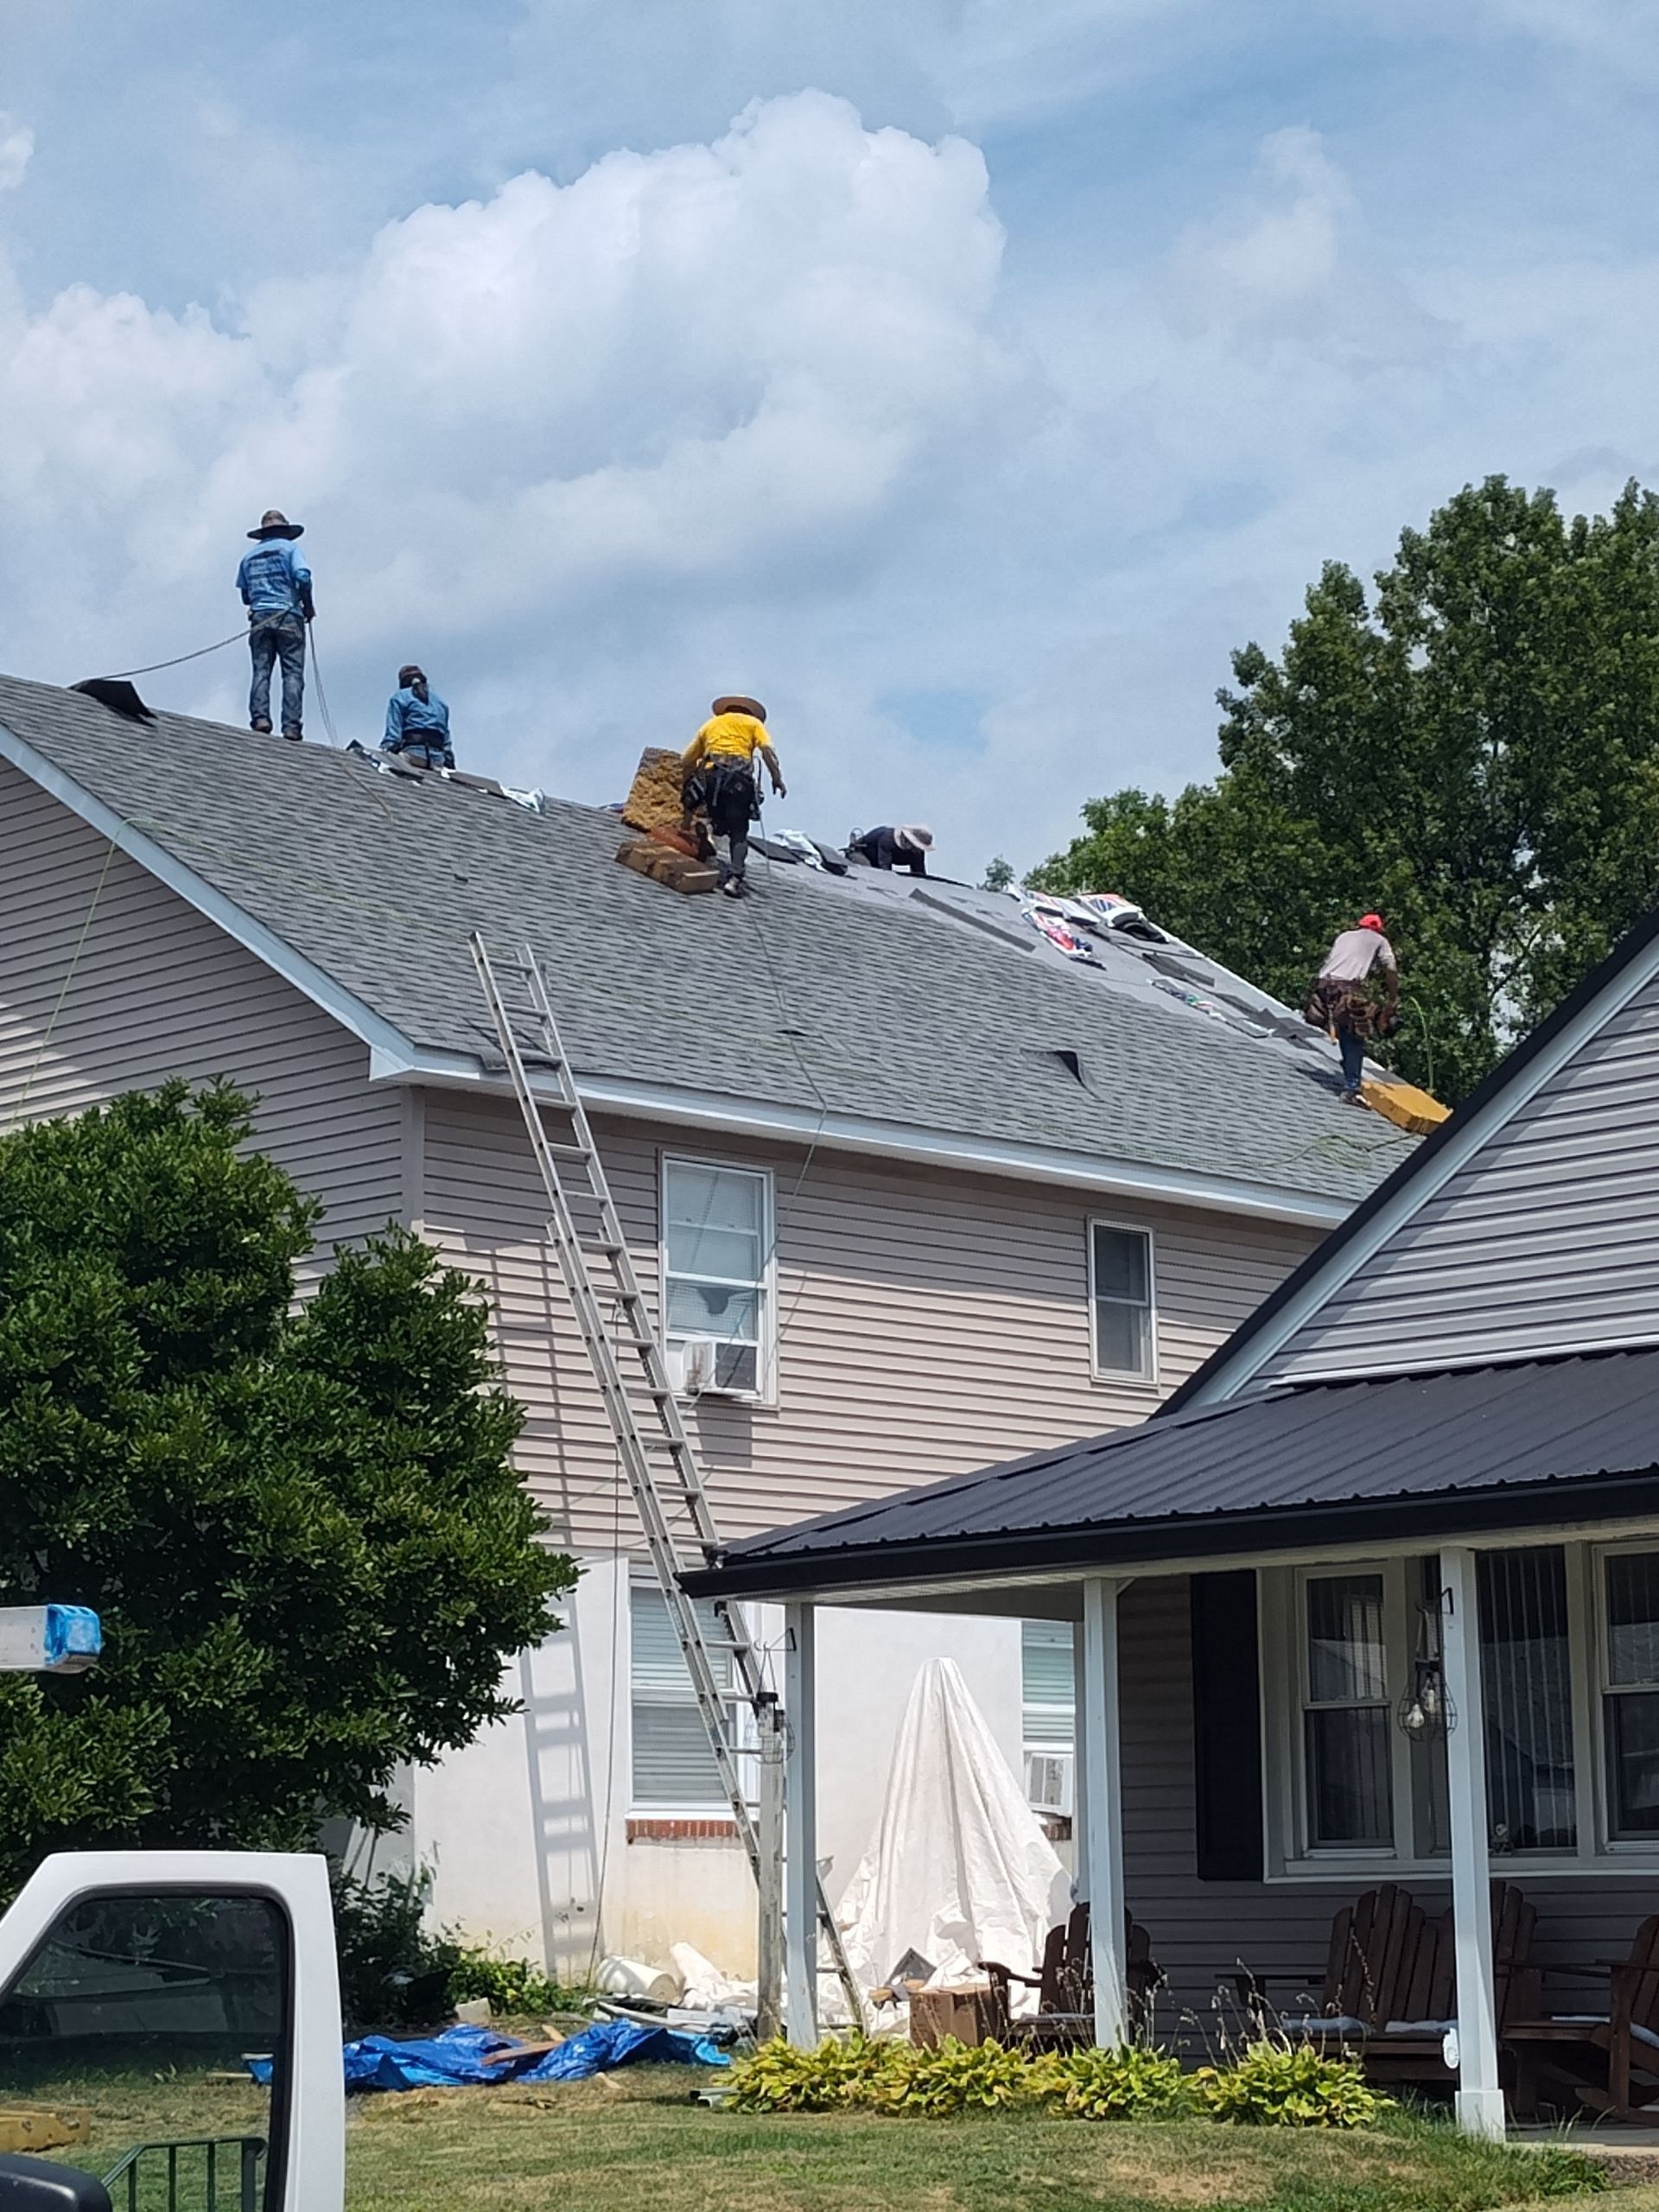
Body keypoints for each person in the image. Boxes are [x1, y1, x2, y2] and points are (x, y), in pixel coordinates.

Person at [681, 694, 785, 899]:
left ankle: (708, 830)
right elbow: (767, 750)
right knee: (738, 830)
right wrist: (776, 778)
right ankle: (734, 879)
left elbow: (686, 759)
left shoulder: (711, 724)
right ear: (750, 711)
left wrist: (687, 783)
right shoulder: (753, 724)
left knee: (712, 813)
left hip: (712, 776)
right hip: (738, 782)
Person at [236, 510, 313, 741]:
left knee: (261, 670)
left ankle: (260, 719)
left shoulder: (249, 558)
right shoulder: (290, 550)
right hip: (288, 614)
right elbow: (303, 577)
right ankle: (291, 727)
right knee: (292, 673)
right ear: (285, 531)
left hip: (260, 617)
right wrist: (308, 605)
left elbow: (245, 596)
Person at [1306, 912, 1399, 1102]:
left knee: (1346, 1026)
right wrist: (1393, 996)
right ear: (1378, 929)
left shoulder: (1345, 936)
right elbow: (1391, 969)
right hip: (1345, 989)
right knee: (1355, 1034)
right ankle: (1352, 1087)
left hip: (1323, 988)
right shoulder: (1380, 940)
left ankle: (1349, 1065)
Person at [382, 664, 454, 770]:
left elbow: (393, 736)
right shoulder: (441, 703)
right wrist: (450, 763)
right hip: (438, 759)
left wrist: (384, 753)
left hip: (412, 755)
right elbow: (446, 741)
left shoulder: (399, 697)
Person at [848, 824, 934, 876]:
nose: (917, 851)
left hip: (878, 863)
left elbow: (919, 874)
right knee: (869, 874)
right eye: (915, 847)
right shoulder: (887, 840)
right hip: (863, 854)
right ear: (906, 840)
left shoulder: (917, 852)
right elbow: (885, 871)